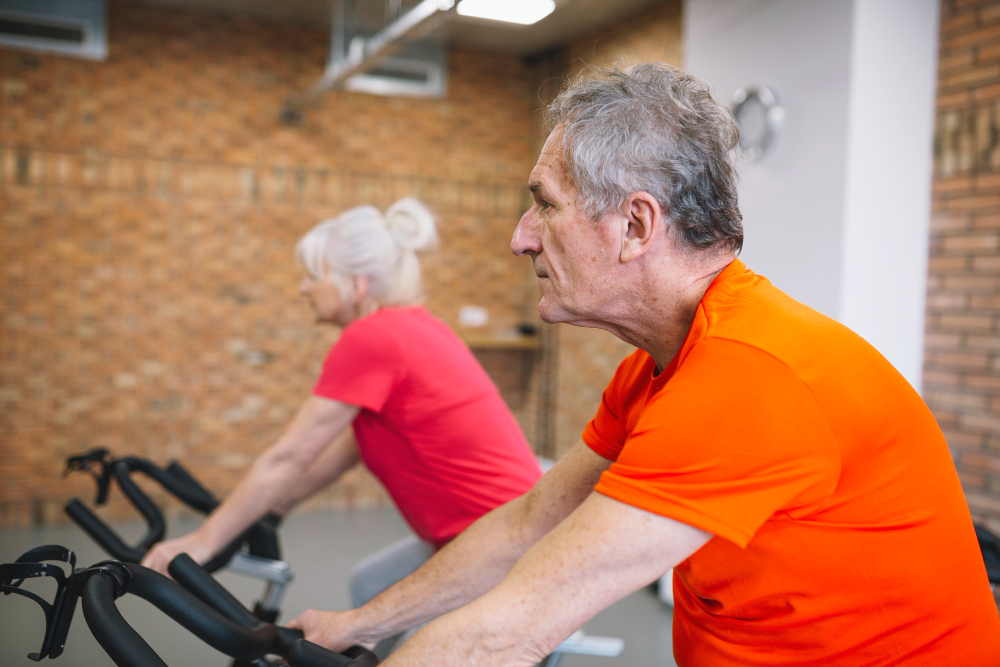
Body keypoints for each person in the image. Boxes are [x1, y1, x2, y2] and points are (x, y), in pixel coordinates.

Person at [289, 64, 1000, 666]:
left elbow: (512, 628)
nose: (521, 238)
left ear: (635, 226)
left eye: (544, 206)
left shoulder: (748, 375)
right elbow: (528, 524)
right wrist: (355, 627)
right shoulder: (659, 368)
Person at [141, 198, 542, 645]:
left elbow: (289, 457)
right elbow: (351, 447)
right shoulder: (412, 326)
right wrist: (278, 506)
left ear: (355, 286)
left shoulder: (371, 338)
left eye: (315, 275)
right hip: (501, 530)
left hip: (505, 549)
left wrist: (201, 542)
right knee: (371, 583)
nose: (303, 288)